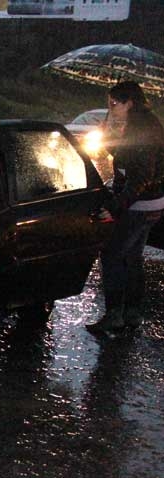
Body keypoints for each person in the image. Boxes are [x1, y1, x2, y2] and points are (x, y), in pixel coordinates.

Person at [87, 81, 164, 335]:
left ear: (130, 102)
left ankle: (114, 315)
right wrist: (109, 135)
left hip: (140, 204)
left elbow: (140, 175)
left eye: (114, 103)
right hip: (151, 202)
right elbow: (128, 158)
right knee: (133, 256)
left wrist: (116, 207)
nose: (111, 107)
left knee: (111, 254)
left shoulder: (143, 126)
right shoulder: (143, 123)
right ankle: (132, 314)